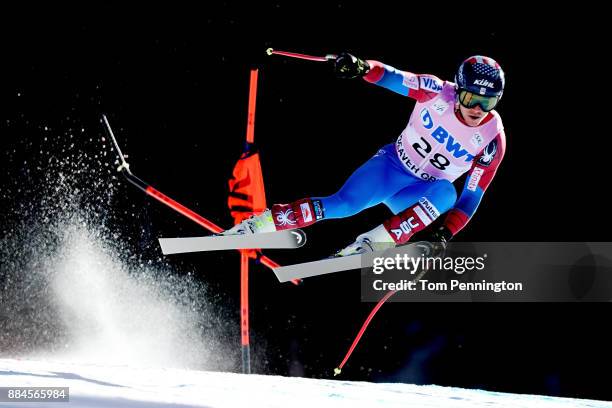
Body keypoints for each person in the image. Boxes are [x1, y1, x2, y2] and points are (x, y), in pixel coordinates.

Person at [223, 53, 506, 256]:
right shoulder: (436, 92)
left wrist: (445, 233)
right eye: (472, 98)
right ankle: (261, 223)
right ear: (458, 91)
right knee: (343, 205)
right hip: (392, 167)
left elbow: (471, 196)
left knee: (447, 193)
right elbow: (393, 77)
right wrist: (361, 67)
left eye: (488, 101)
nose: (478, 109)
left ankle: (376, 241)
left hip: (421, 192)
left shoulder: (491, 140)